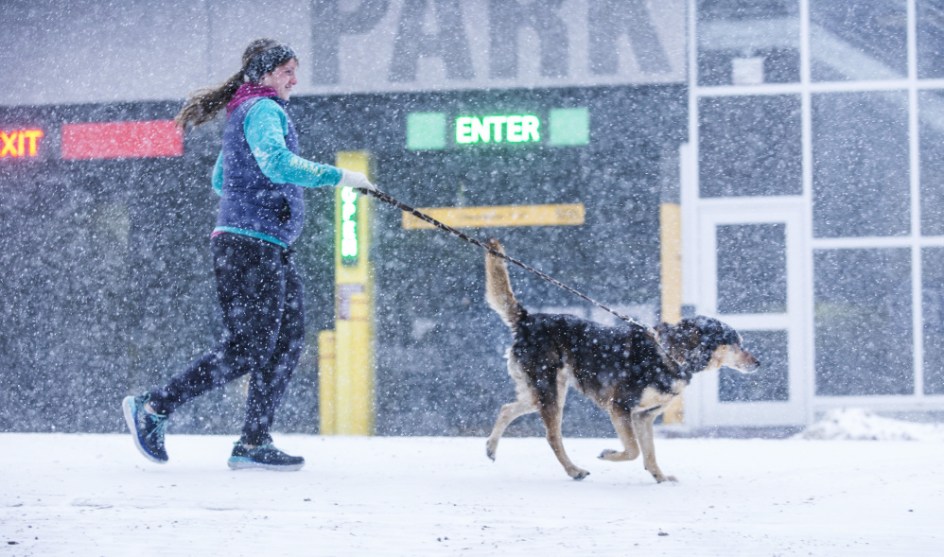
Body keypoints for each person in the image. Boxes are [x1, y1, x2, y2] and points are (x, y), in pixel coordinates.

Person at [122, 38, 374, 471]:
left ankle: (253, 442)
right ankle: (154, 407)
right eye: (287, 71)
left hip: (263, 245)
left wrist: (262, 202)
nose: (295, 79)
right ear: (263, 73)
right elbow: (276, 164)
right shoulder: (263, 111)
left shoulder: (246, 110)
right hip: (250, 246)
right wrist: (341, 176)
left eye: (296, 70)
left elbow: (223, 178)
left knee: (285, 341)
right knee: (251, 346)